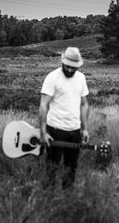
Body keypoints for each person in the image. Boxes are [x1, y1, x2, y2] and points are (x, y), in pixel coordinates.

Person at [39, 47, 89, 189]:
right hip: (55, 131)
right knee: (51, 170)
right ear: (62, 61)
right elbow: (43, 105)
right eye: (67, 66)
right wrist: (43, 132)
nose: (69, 70)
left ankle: (67, 202)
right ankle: (48, 201)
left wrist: (85, 129)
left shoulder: (81, 78)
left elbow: (84, 104)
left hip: (74, 132)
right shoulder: (52, 77)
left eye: (73, 67)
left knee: (71, 170)